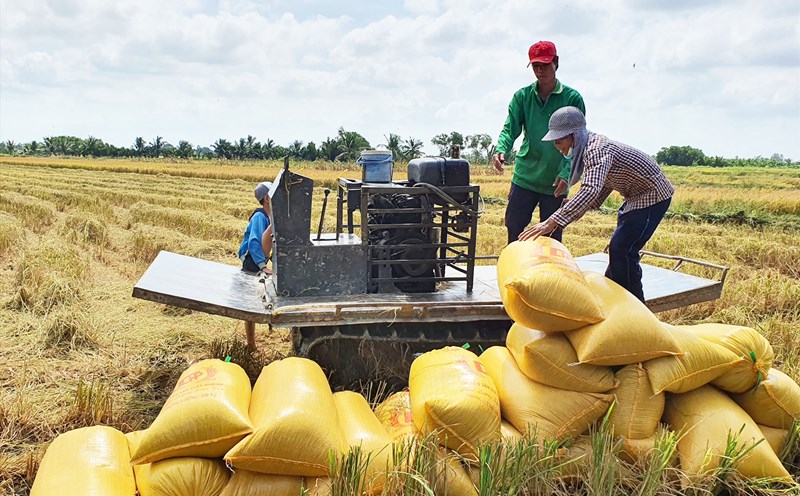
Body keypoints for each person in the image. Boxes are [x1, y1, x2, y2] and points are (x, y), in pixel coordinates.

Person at [519, 106, 674, 302]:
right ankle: (614, 297)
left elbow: (591, 189)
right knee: (619, 248)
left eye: (558, 140)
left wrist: (551, 222)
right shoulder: (589, 148)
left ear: (573, 136)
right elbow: (603, 185)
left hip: (652, 195)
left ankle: (636, 307)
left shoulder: (596, 150)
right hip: (634, 197)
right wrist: (583, 205)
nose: (557, 146)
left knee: (623, 249)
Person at [493, 40, 586, 244]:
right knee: (514, 226)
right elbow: (510, 128)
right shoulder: (522, 97)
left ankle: (548, 275)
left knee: (552, 234)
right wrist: (501, 148)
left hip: (556, 180)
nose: (540, 70)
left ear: (556, 63)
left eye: (544, 65)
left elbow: (579, 142)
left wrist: (566, 173)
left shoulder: (572, 98)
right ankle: (517, 272)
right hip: (525, 176)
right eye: (535, 66)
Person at [238, 181, 274, 275]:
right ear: (267, 198)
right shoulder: (259, 217)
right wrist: (263, 267)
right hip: (250, 259)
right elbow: (254, 241)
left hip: (258, 258)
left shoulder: (269, 217)